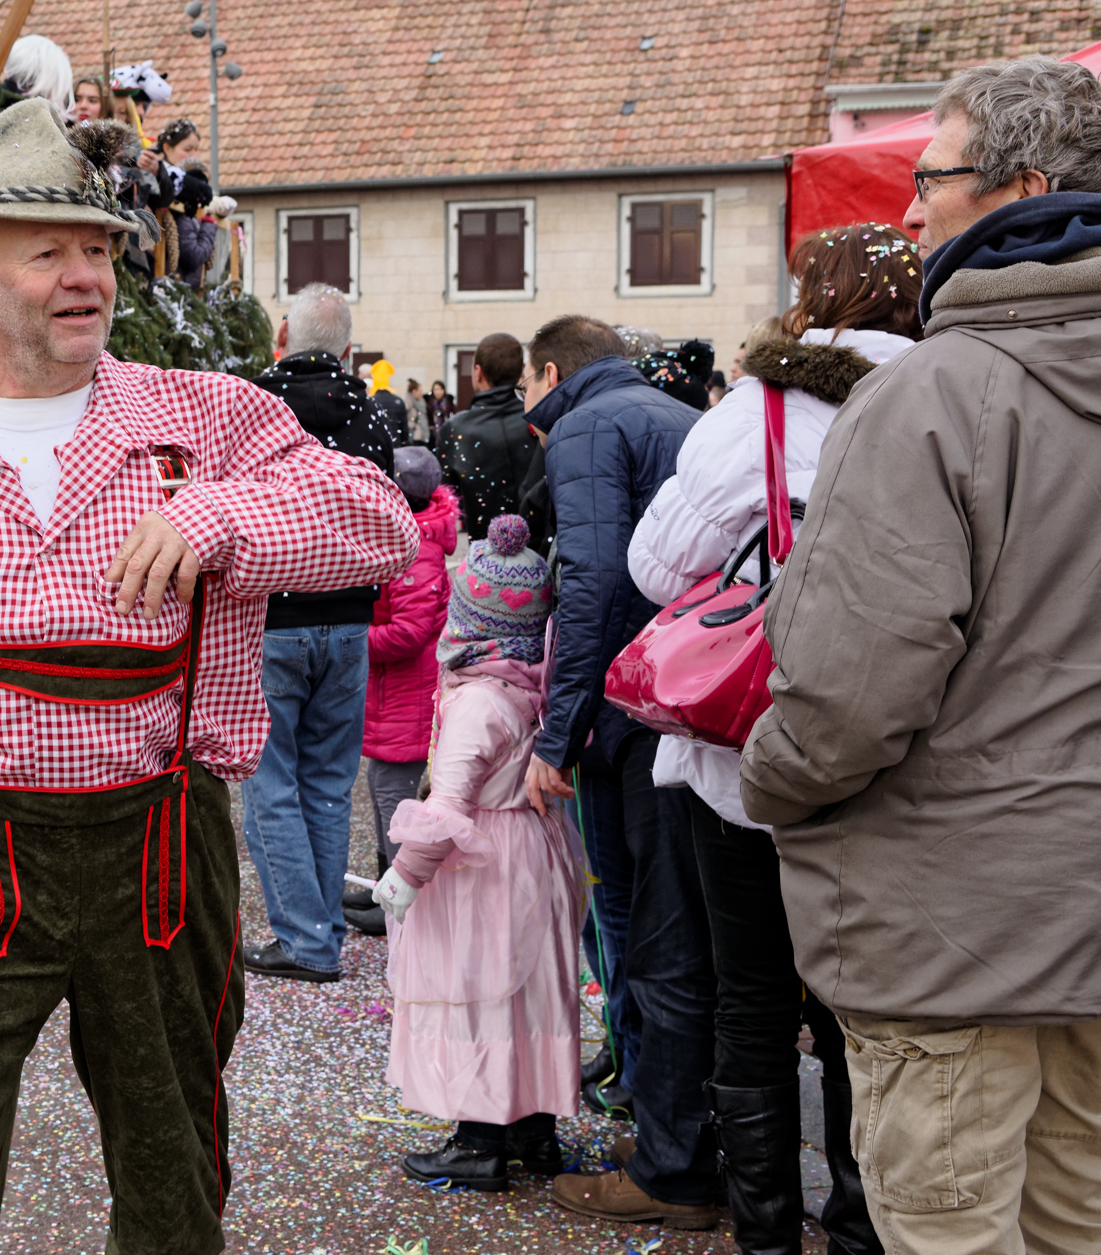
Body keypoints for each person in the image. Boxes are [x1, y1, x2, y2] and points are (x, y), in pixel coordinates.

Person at [0, 98, 417, 1254]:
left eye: (97, 248)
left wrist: (222, 516)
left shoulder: (206, 420)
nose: (84, 277)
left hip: (162, 859)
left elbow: (380, 526)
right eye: (47, 253)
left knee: (173, 1182)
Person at [744, 56, 1101, 1253]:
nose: (906, 212)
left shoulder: (931, 396)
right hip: (1065, 920)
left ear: (1021, 189)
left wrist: (771, 779)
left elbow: (845, 697)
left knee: (948, 1230)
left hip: (951, 929)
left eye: (927, 179)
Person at [628, 224, 920, 1255]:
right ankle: (859, 1225)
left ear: (808, 298)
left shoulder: (754, 411)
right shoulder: (948, 396)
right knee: (861, 1009)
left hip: (745, 751)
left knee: (747, 995)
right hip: (892, 750)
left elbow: (656, 569)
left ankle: (762, 1236)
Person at [518, 316, 713, 1228]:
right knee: (674, 930)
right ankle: (676, 1130)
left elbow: (594, 581)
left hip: (632, 710)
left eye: (527, 387)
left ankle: (671, 1158)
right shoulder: (672, 411)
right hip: (683, 694)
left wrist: (558, 732)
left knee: (644, 933)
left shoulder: (589, 425)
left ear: (551, 371)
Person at [375, 513, 580, 1192]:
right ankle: (532, 1130)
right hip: (531, 851)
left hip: (483, 866)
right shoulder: (531, 686)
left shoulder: (477, 702)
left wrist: (404, 876)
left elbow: (449, 805)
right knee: (524, 993)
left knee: (477, 988)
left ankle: (478, 1139)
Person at [240, 285, 403, 982]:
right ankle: (323, 928)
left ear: (282, 338)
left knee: (271, 783)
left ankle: (306, 940)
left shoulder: (254, 411)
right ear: (345, 351)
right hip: (348, 621)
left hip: (274, 621)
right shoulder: (370, 419)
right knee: (328, 783)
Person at [346, 447, 458, 938]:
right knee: (381, 788)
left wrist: (353, 638)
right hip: (396, 694)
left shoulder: (419, 550)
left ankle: (399, 902)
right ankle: (383, 884)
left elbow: (409, 633)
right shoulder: (412, 541)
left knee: (395, 797)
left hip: (410, 694)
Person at [439, 333, 536, 538]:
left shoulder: (455, 428)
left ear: (478, 372)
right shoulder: (538, 420)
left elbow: (445, 498)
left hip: (485, 553)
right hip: (537, 546)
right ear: (521, 373)